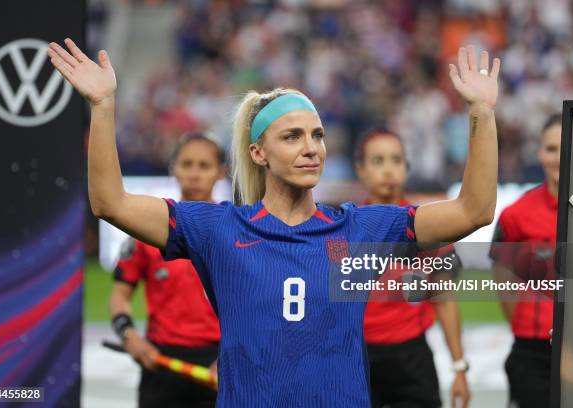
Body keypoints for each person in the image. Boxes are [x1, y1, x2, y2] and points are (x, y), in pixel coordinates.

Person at [48, 39, 499, 407]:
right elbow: (109, 202)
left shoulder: (362, 229)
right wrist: (103, 106)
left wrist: (481, 113)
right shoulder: (216, 229)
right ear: (258, 153)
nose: (312, 148)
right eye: (293, 136)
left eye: (318, 135)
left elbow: (472, 211)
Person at [355, 130, 470, 408]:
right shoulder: (344, 228)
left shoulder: (427, 227)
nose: (388, 169)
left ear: (407, 167)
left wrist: (459, 368)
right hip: (356, 358)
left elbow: (443, 298)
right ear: (360, 169)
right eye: (378, 160)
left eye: (396, 160)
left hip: (413, 358)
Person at [109, 132, 224, 407]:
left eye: (204, 166)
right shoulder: (146, 232)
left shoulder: (235, 230)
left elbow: (255, 307)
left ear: (222, 172)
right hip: (160, 365)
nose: (194, 174)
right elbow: (119, 297)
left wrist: (232, 358)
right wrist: (129, 337)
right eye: (187, 164)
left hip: (219, 364)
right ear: (173, 168)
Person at [490, 114, 562, 408]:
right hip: (531, 352)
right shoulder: (516, 214)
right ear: (539, 153)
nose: (559, 158)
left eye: (568, 148)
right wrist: (523, 323)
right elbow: (502, 274)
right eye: (551, 149)